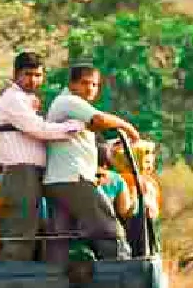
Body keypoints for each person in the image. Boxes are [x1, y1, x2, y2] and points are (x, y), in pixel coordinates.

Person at [0, 52, 86, 261]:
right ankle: (12, 282)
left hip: (35, 172)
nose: (33, 80)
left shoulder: (26, 100)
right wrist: (72, 127)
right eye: (28, 74)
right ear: (16, 75)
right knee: (20, 231)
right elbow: (39, 129)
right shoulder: (12, 100)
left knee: (40, 227)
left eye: (38, 75)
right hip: (20, 171)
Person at [42, 64, 140, 262]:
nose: (90, 89)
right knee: (108, 226)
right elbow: (99, 120)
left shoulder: (70, 105)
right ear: (72, 84)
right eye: (85, 83)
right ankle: (121, 269)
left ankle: (55, 277)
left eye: (94, 85)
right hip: (71, 178)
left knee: (62, 233)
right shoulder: (68, 101)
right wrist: (128, 127)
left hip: (60, 179)